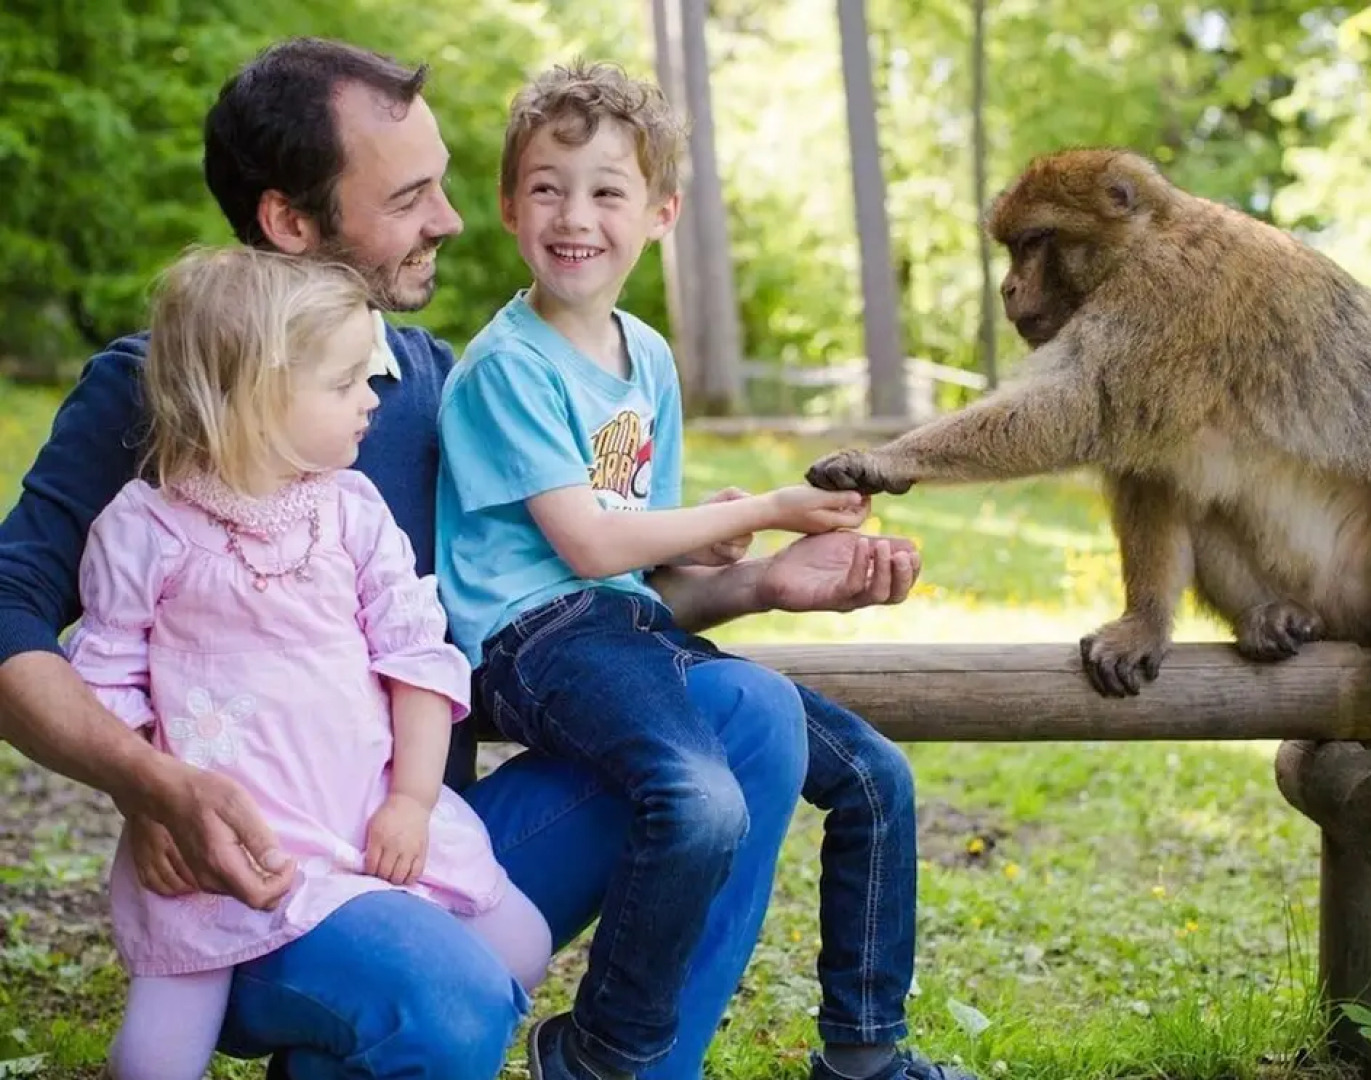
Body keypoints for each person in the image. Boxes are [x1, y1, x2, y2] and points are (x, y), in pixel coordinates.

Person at [0, 37, 921, 1078]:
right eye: (410, 197)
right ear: (290, 221)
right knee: (450, 1001)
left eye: (441, 185)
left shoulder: (436, 385)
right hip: (255, 871)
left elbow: (553, 614)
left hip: (416, 838)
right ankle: (380, 1010)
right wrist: (149, 782)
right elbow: (7, 612)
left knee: (749, 716)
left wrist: (754, 585)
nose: (449, 218)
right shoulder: (169, 392)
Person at [439, 61, 975, 1080]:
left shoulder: (644, 357)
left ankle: (865, 1054)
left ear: (660, 213)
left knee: (875, 778)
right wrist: (762, 509)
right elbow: (591, 548)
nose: (574, 216)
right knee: (699, 800)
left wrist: (755, 571)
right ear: (508, 205)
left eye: (607, 191)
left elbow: (636, 571)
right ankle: (601, 1052)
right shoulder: (508, 366)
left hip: (623, 629)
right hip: (530, 641)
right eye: (547, 187)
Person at [68, 247, 553, 1080]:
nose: (372, 398)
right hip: (225, 850)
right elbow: (108, 684)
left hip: (364, 813)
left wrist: (410, 801)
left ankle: (332, 1047)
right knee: (155, 1060)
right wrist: (148, 804)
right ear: (256, 395)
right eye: (344, 382)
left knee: (523, 946)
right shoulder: (145, 531)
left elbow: (417, 658)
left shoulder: (350, 513)